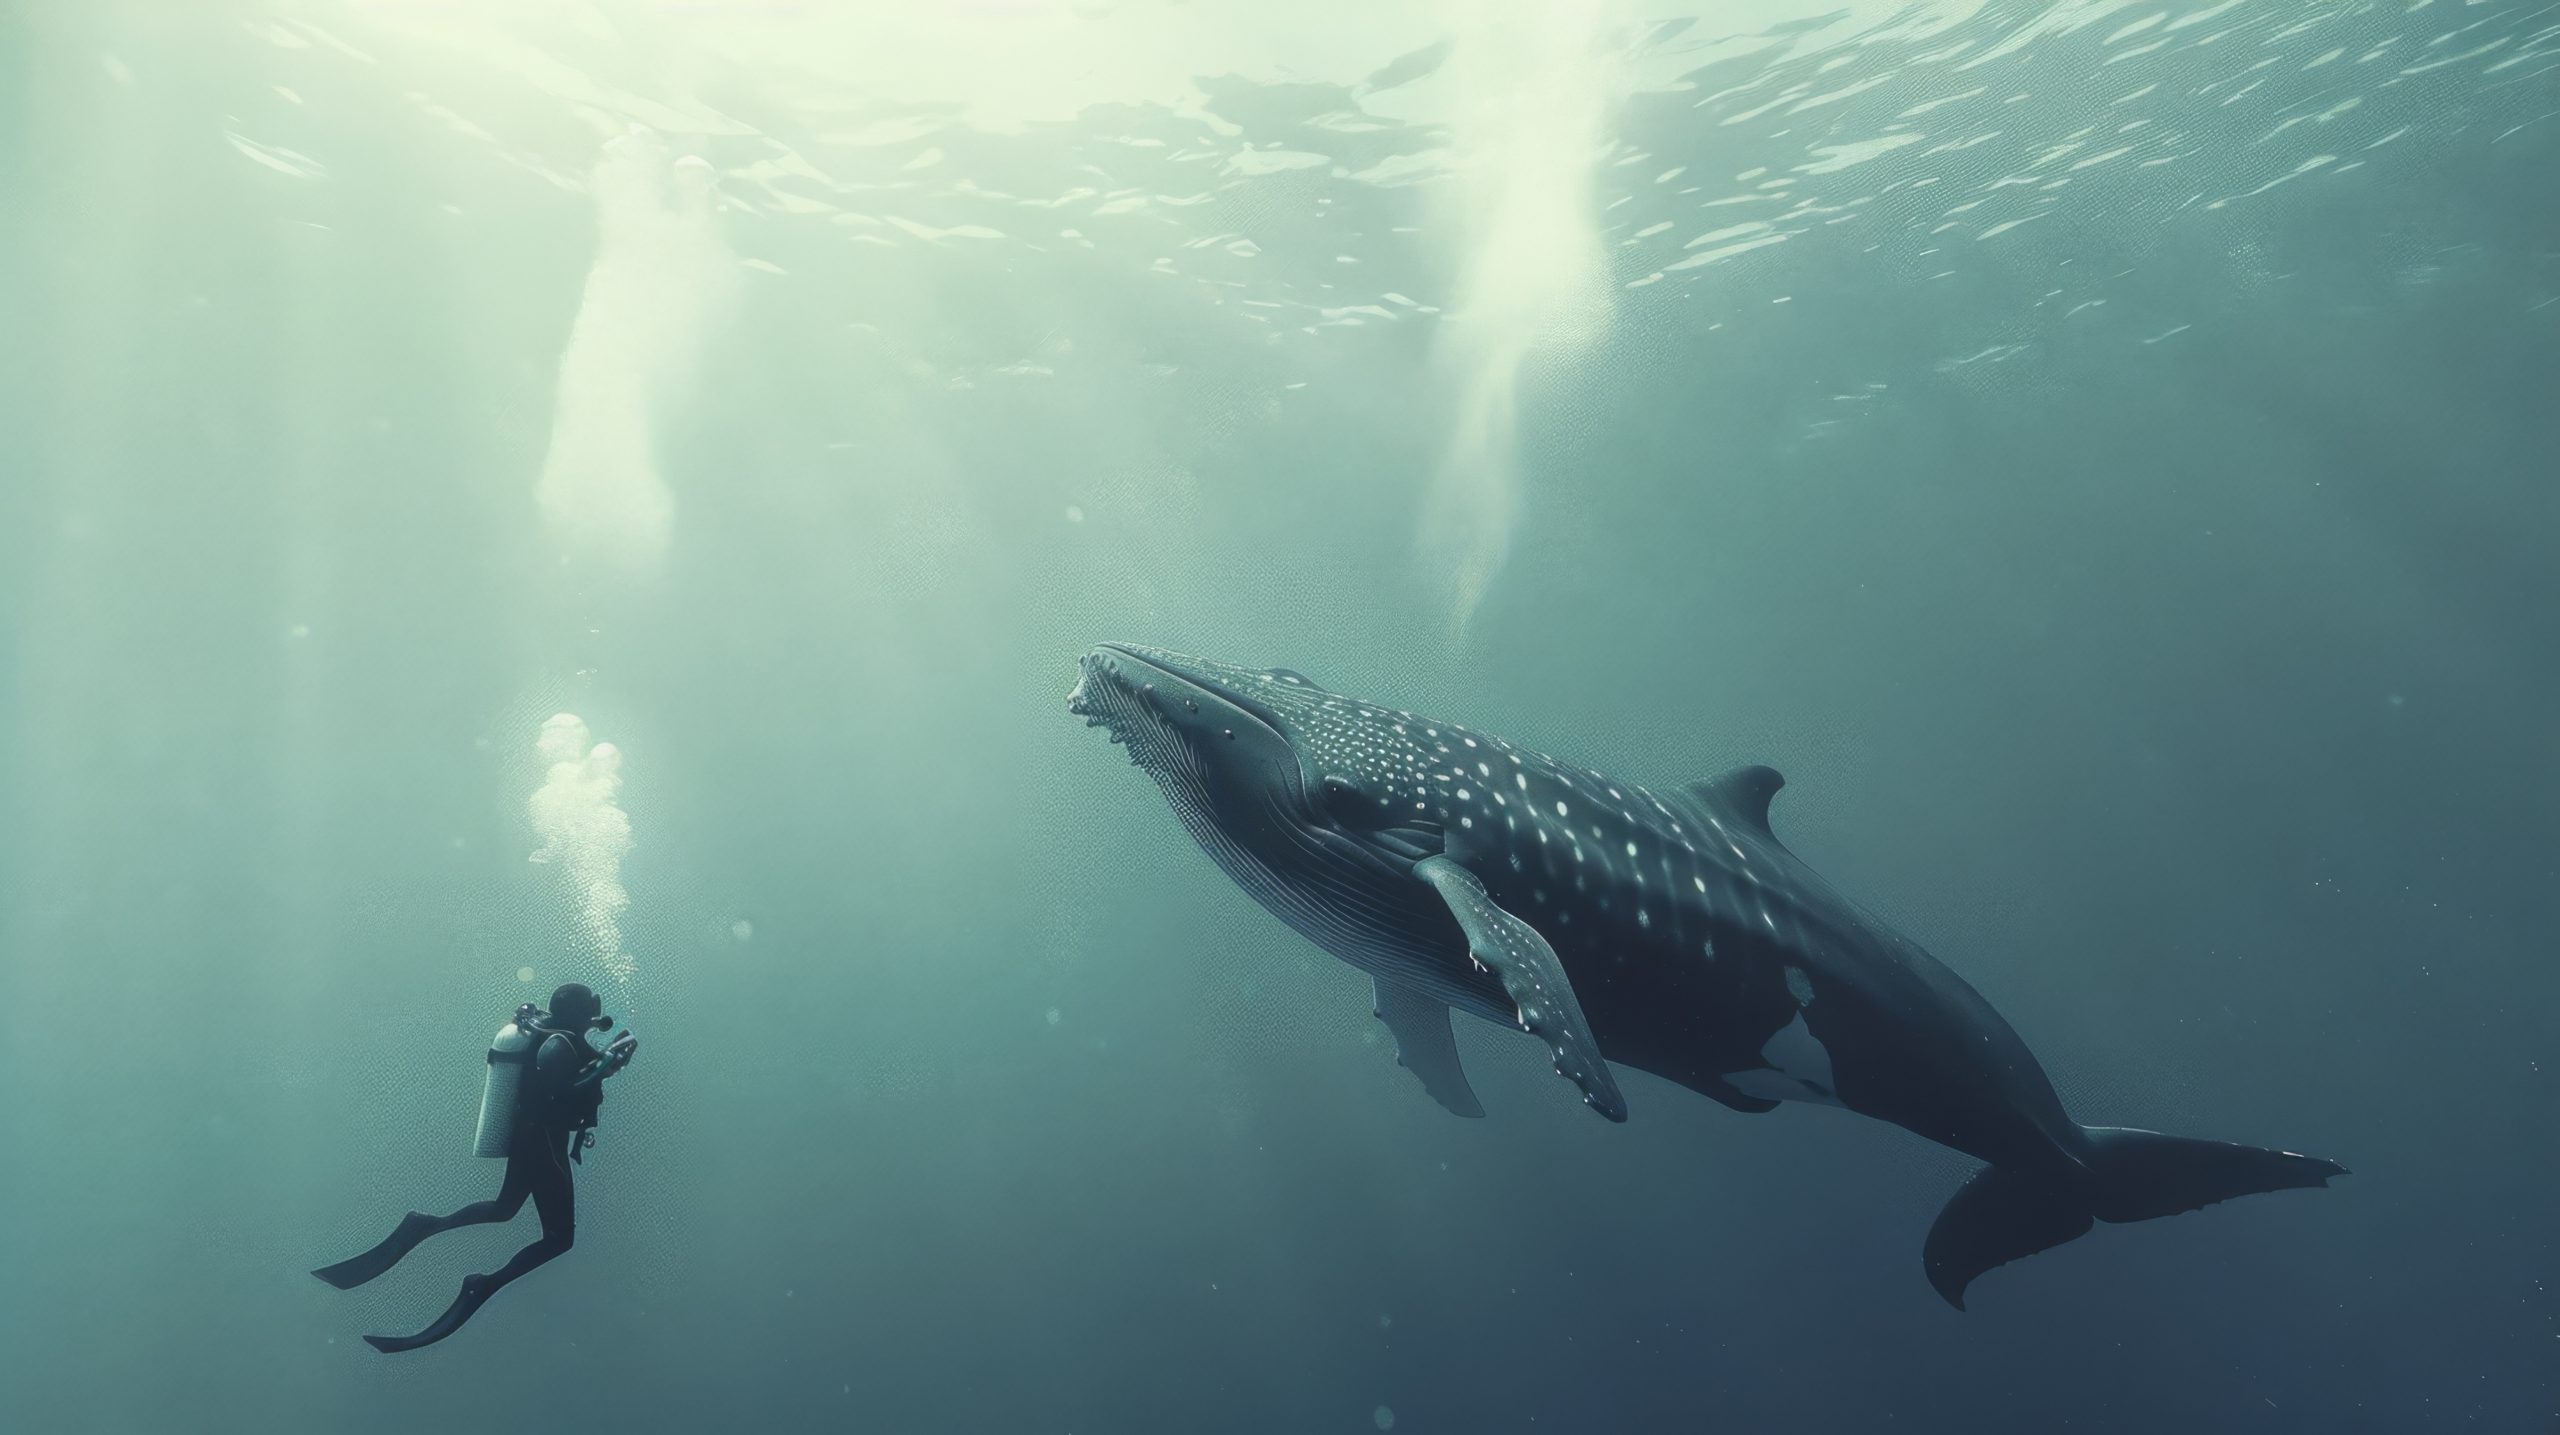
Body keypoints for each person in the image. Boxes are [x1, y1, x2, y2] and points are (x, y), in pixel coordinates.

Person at [313, 982, 637, 1353]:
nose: (596, 1016)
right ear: (581, 1013)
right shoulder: (558, 1043)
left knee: (504, 1209)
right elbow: (561, 1089)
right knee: (559, 1238)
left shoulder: (558, 1037)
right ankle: (482, 1284)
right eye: (591, 1010)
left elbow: (575, 1075)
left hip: (535, 1139)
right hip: (543, 1142)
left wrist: (609, 1060)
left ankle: (427, 1226)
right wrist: (607, 1065)